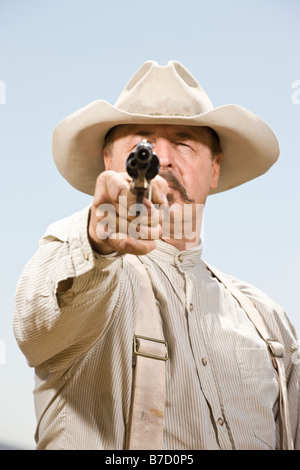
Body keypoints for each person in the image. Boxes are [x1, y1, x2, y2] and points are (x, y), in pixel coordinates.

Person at [14, 60, 299, 450]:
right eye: (141, 145)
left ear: (214, 169)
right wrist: (96, 242)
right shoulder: (80, 255)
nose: (162, 158)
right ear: (108, 162)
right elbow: (36, 327)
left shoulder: (270, 324)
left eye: (184, 143)